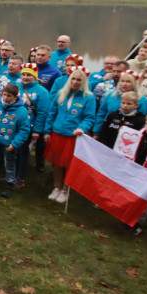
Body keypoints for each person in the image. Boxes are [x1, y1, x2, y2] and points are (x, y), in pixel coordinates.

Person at [45, 68, 97, 203]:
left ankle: (66, 190)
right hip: (57, 134)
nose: (75, 82)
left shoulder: (89, 98)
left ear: (84, 81)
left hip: (73, 136)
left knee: (69, 164)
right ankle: (57, 187)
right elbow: (52, 113)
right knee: (57, 163)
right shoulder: (61, 94)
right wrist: (47, 131)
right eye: (73, 79)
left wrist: (82, 128)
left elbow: (89, 118)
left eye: (79, 80)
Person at [0, 83, 31, 198]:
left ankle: (10, 184)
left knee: (9, 163)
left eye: (9, 96)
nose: (5, 98)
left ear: (15, 97)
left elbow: (24, 130)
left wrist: (15, 143)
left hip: (9, 143)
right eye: (4, 95)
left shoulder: (21, 111)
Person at [17, 63, 52, 188]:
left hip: (28, 128)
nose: (25, 77)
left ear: (35, 77)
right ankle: (11, 173)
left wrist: (37, 131)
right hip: (14, 125)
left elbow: (43, 113)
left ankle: (20, 178)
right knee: (13, 151)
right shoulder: (17, 87)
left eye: (29, 75)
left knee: (22, 152)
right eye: (23, 74)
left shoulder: (42, 92)